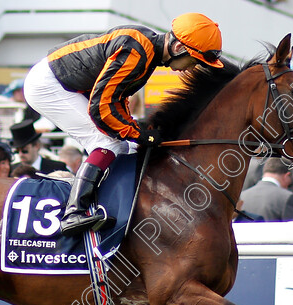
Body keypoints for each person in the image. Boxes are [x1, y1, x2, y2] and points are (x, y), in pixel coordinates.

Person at [24, 12, 223, 236]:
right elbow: (100, 107)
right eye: (194, 60)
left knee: (125, 148)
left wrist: (135, 131)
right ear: (178, 47)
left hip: (64, 83)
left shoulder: (147, 53)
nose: (192, 68)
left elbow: (117, 99)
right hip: (48, 85)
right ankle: (73, 212)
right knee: (105, 143)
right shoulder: (139, 51)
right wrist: (136, 133)